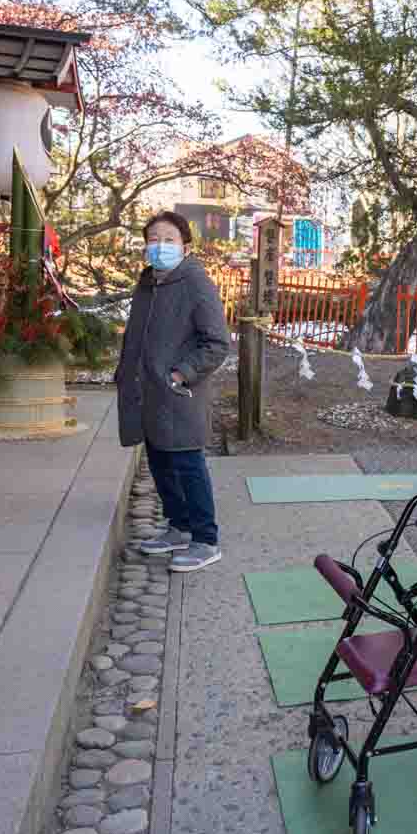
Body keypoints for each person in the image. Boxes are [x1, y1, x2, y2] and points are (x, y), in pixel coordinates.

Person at [117, 212, 231, 573]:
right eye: (153, 239)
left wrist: (182, 373)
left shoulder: (195, 282)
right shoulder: (149, 282)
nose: (160, 246)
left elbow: (217, 343)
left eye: (168, 239)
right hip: (149, 392)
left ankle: (205, 539)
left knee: (187, 464)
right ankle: (178, 527)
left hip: (179, 392)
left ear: (185, 245)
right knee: (160, 462)